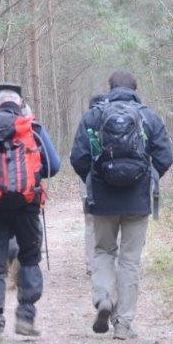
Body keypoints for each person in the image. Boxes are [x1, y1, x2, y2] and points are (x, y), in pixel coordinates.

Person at [70, 70, 173, 340]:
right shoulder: (148, 116)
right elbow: (165, 156)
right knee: (129, 261)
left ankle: (104, 298)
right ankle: (123, 325)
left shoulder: (94, 115)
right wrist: (147, 177)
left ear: (109, 87)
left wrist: (94, 179)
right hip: (137, 201)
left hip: (103, 200)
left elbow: (78, 156)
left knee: (104, 251)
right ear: (135, 89)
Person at [0, 83, 60, 344]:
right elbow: (55, 166)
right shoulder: (33, 127)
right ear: (20, 102)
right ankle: (26, 318)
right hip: (27, 205)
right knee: (29, 259)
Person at [81, 94, 104, 276]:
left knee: (90, 224)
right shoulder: (112, 121)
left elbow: (77, 156)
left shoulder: (86, 122)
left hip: (89, 186)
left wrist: (86, 177)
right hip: (112, 185)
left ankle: (91, 265)